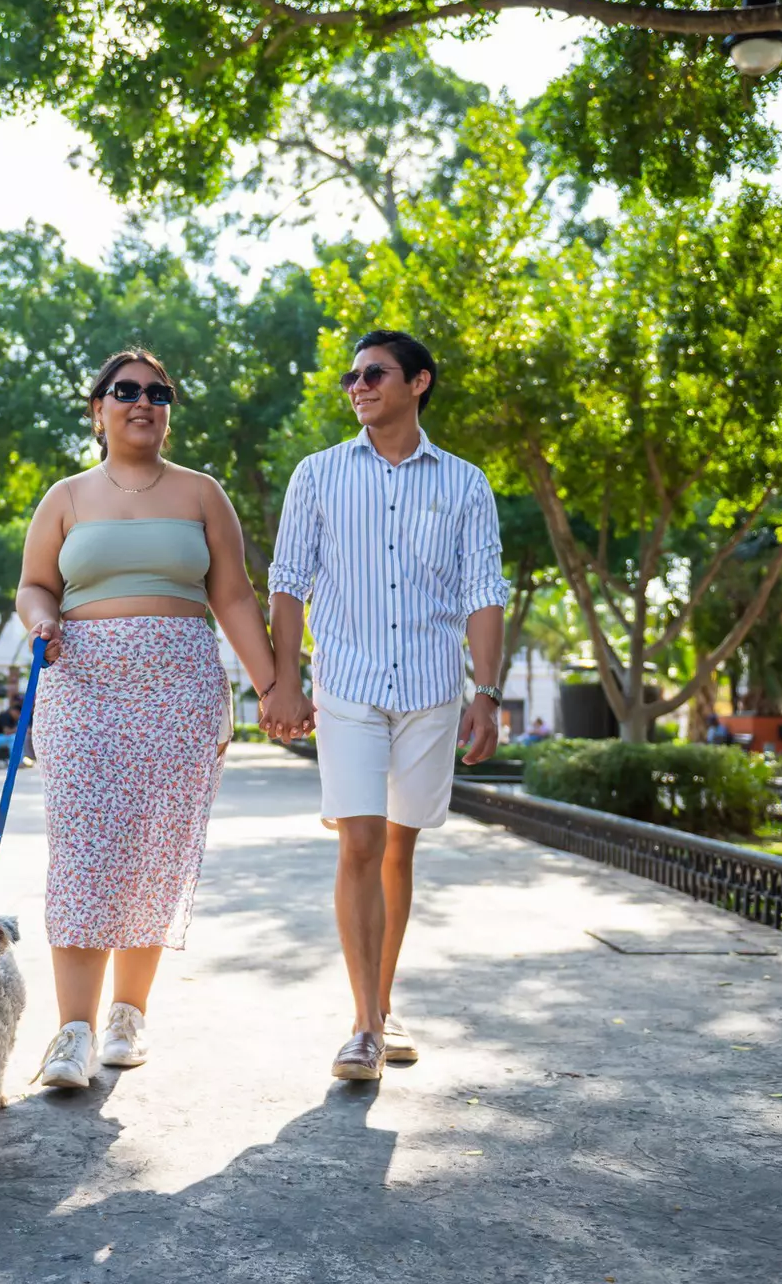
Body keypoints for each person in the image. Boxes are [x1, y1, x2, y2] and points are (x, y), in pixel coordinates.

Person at [16, 347, 281, 1088]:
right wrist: (42, 620)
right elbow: (35, 585)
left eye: (158, 391)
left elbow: (232, 597)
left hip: (180, 691)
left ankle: (126, 1019)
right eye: (125, 390)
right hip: (84, 687)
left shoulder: (203, 495)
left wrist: (272, 687)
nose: (143, 401)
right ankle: (72, 1031)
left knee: (153, 854)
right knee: (83, 853)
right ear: (97, 409)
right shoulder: (66, 497)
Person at [259, 329, 509, 1083]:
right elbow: (288, 581)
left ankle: (384, 1001)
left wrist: (487, 693)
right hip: (350, 687)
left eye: (374, 374)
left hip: (433, 690)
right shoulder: (318, 474)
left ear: (419, 383)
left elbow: (484, 593)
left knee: (400, 847)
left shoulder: (465, 484)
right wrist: (284, 680)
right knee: (360, 841)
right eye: (352, 377)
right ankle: (364, 1025)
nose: (358, 386)